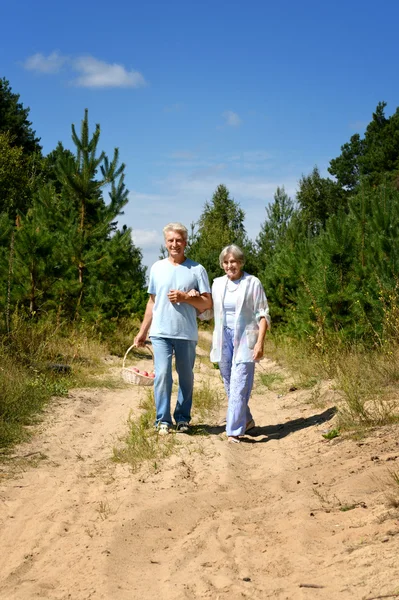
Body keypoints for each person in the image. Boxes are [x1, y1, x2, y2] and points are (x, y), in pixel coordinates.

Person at [133, 223, 212, 435]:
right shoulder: (157, 268)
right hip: (160, 332)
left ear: (185, 242)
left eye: (179, 240)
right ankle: (163, 420)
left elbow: (207, 304)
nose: (174, 244)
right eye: (170, 240)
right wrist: (142, 332)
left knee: (186, 376)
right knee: (163, 374)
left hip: (186, 332)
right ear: (165, 243)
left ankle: (183, 418)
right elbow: (152, 303)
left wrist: (186, 297)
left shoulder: (197, 269)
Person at [210, 244, 270, 443]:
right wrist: (192, 298)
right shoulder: (217, 283)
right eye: (226, 262)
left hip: (245, 338)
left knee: (239, 382)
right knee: (228, 380)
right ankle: (247, 420)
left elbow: (263, 314)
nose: (229, 265)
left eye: (233, 261)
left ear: (241, 262)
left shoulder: (253, 282)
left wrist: (260, 343)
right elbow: (209, 310)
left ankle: (234, 430)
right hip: (223, 337)